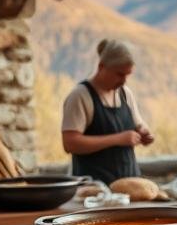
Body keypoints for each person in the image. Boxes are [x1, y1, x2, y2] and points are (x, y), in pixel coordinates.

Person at [61, 39, 154, 184]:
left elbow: (138, 124)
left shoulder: (125, 93)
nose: (124, 81)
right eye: (119, 74)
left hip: (129, 185)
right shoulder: (80, 96)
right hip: (93, 191)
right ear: (101, 66)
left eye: (127, 75)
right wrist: (117, 139)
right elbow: (70, 143)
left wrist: (144, 133)